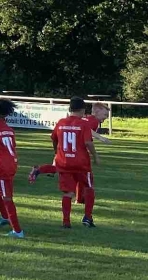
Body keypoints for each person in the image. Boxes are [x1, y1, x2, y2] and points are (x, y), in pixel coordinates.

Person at [30, 96, 102, 228]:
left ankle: (66, 222)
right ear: (82, 110)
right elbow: (88, 142)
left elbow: (53, 138)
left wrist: (56, 152)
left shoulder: (61, 122)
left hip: (64, 162)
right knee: (89, 187)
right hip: (81, 163)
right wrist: (95, 156)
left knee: (68, 192)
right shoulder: (84, 124)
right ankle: (87, 217)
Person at [0, 97, 25, 237]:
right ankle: (5, 216)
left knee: (7, 198)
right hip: (8, 163)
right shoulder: (9, 129)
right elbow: (6, 148)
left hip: (2, 167)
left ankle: (17, 231)